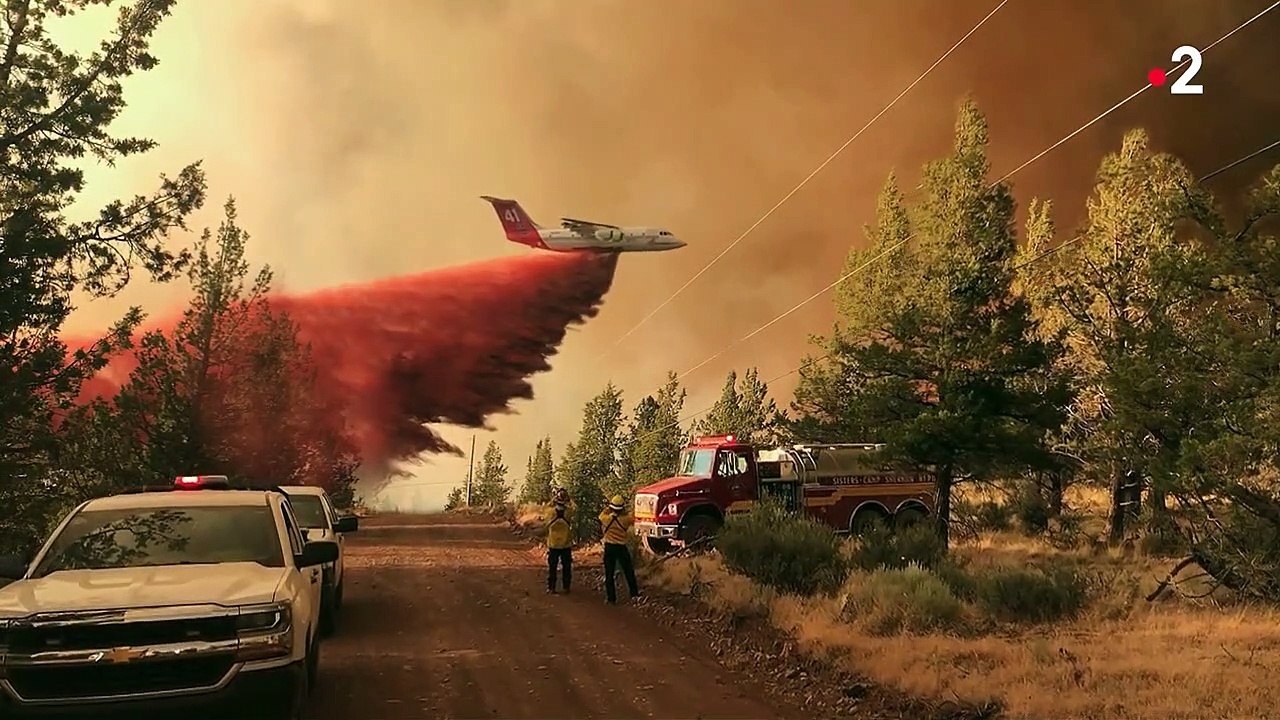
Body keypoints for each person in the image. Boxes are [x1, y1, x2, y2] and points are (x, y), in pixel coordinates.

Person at [598, 494, 639, 604]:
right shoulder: (626, 519)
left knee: (609, 573)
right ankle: (634, 594)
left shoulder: (605, 519)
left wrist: (608, 508)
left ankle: (611, 598)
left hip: (609, 547)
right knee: (628, 571)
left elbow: (601, 515)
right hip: (621, 547)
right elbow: (633, 517)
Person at [545, 491, 572, 593]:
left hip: (553, 544)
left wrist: (553, 499)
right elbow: (572, 506)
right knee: (567, 567)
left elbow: (546, 510)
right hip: (566, 544)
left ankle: (551, 587)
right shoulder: (568, 512)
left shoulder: (551, 512)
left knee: (552, 567)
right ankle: (566, 587)